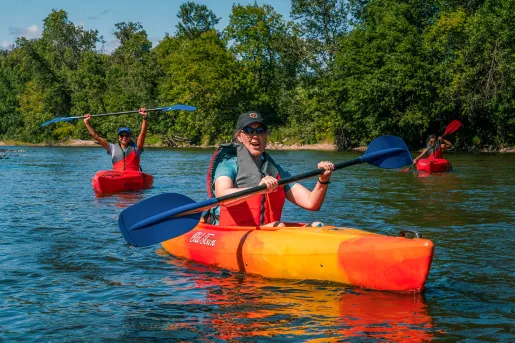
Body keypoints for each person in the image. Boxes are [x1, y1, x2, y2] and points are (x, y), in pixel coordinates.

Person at [205, 111, 334, 227]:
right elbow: (222, 195)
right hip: (234, 234)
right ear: (239, 136)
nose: (255, 135)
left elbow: (311, 203)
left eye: (260, 130)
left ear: (265, 135)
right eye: (249, 130)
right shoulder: (228, 165)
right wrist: (257, 190)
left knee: (318, 225)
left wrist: (323, 179)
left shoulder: (275, 170)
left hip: (266, 232)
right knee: (279, 226)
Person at [84, 108, 148, 172]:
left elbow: (143, 134)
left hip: (133, 177)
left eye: (127, 135)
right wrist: (87, 123)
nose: (124, 137)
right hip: (118, 176)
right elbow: (97, 137)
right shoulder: (112, 148)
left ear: (130, 137)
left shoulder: (136, 147)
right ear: (118, 137)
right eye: (121, 135)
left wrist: (144, 117)